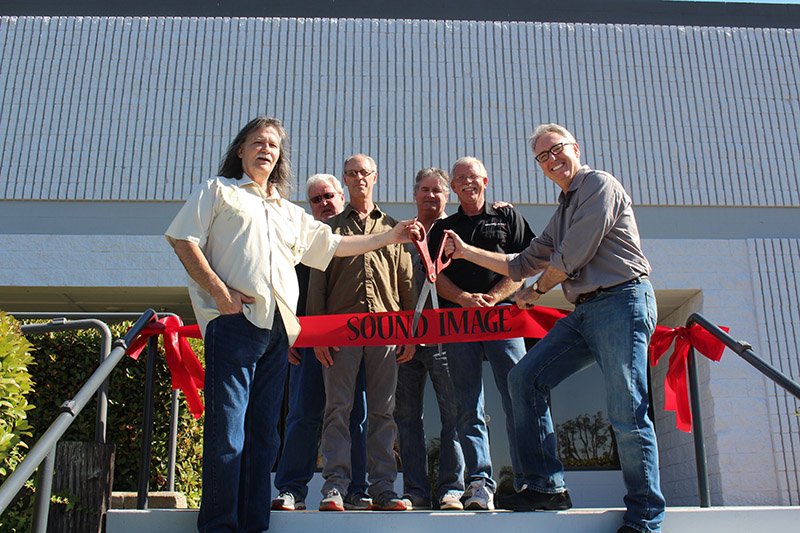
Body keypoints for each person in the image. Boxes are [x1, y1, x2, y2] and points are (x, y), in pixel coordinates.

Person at [165, 118, 420, 532]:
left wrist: (390, 237)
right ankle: (219, 526)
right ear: (240, 151)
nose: (266, 149)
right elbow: (183, 240)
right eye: (257, 142)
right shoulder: (217, 190)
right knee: (228, 433)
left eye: (273, 145)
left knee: (265, 435)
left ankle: (252, 524)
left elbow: (334, 246)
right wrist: (219, 292)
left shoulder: (287, 211)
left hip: (277, 332)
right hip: (235, 324)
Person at [444, 123, 665, 533]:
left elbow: (569, 257)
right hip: (583, 312)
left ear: (575, 148)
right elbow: (520, 262)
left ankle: (644, 515)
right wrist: (465, 250)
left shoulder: (599, 185)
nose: (551, 160)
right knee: (524, 379)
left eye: (556, 150)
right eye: (542, 157)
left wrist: (533, 292)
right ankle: (546, 486)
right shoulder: (561, 210)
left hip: (622, 301)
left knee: (625, 408)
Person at [308, 154, 416, 512]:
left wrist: (410, 332)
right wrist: (319, 335)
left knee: (384, 411)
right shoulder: (329, 229)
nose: (359, 178)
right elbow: (316, 286)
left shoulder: (394, 227)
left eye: (364, 172)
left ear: (375, 177)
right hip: (339, 332)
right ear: (345, 180)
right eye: (352, 173)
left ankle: (384, 489)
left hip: (386, 331)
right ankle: (334, 488)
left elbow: (406, 284)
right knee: (338, 409)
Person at [426, 157, 535, 510]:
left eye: (472, 176)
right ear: (453, 187)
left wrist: (495, 297)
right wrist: (463, 298)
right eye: (459, 179)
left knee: (517, 396)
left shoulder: (507, 217)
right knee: (467, 403)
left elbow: (527, 264)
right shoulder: (443, 229)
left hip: (502, 318)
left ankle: (528, 481)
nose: (466, 182)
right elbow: (434, 276)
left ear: (485, 180)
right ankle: (479, 484)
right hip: (460, 321)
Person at [271, 174, 369, 512]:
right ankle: (291, 490)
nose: (324, 203)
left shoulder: (362, 238)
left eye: (329, 196)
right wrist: (286, 338)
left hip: (352, 345)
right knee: (302, 416)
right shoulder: (297, 243)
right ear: (310, 208)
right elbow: (279, 293)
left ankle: (356, 490)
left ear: (341, 197)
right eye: (316, 200)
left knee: (354, 415)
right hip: (307, 345)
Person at [394, 167, 465, 511]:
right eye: (424, 189)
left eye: (437, 190)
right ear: (415, 194)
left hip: (448, 340)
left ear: (446, 195)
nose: (430, 195)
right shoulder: (401, 234)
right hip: (405, 342)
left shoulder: (458, 233)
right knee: (406, 418)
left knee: (455, 414)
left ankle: (453, 488)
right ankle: (416, 491)